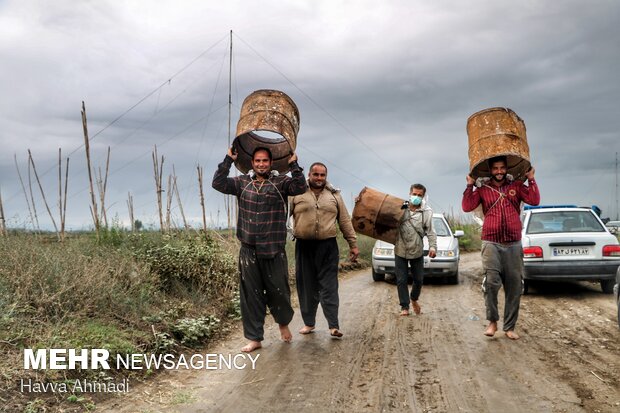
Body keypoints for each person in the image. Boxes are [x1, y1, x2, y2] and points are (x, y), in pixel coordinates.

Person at [212, 146, 307, 352]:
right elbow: (217, 183)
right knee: (251, 295)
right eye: (257, 161)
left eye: (265, 161)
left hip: (273, 249)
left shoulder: (281, 182)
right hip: (248, 249)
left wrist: (294, 164)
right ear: (252, 163)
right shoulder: (242, 183)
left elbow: (301, 187)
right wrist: (228, 159)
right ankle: (255, 338)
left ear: (271, 163)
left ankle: (283, 324)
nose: (261, 164)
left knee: (279, 291)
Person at [462, 156, 539, 340]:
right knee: (491, 283)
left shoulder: (517, 186)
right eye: (495, 168)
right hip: (491, 242)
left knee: (514, 286)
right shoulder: (483, 189)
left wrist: (531, 179)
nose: (499, 171)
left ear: (506, 169)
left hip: (513, 243)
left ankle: (509, 326)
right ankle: (492, 322)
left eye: (502, 168)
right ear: (490, 170)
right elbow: (467, 206)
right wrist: (470, 185)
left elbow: (534, 200)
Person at [290, 162, 359, 338]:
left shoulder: (334, 196)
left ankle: (333, 326)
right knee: (307, 286)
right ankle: (309, 323)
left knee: (329, 286)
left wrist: (353, 244)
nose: (319, 178)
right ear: (310, 175)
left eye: (322, 175)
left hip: (328, 247)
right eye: (316, 174)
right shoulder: (296, 193)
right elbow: (283, 216)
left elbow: (344, 221)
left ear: (326, 177)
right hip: (304, 246)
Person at [394, 184, 437, 316]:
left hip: (417, 249)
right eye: (414, 194)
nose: (416, 197)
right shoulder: (401, 206)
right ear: (409, 193)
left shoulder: (427, 212)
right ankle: (404, 307)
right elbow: (383, 212)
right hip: (400, 248)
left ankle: (414, 298)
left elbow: (431, 231)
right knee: (401, 279)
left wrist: (433, 247)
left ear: (423, 196)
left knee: (418, 280)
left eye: (419, 195)